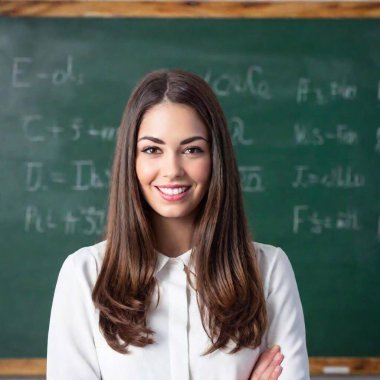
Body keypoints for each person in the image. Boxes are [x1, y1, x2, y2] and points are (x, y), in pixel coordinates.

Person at [47, 69, 309, 379]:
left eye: (192, 150)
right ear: (131, 160)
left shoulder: (268, 270)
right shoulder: (85, 274)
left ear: (215, 159)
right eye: (152, 150)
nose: (171, 169)